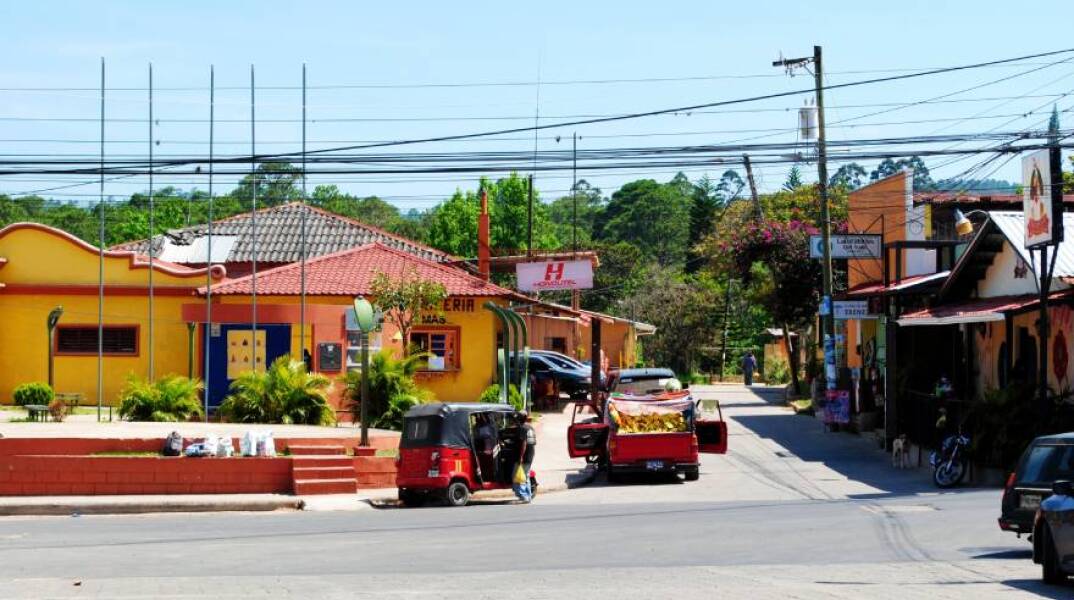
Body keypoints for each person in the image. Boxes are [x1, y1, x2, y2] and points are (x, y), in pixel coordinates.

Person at [512, 412, 537, 503]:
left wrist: (521, 456)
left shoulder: (522, 428)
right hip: (531, 454)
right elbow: (533, 442)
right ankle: (528, 496)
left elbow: (524, 444)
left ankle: (524, 496)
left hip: (525, 455)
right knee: (526, 476)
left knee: (520, 476)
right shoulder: (530, 428)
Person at [474, 414, 498, 481]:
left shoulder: (487, 427)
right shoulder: (484, 427)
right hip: (486, 449)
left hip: (488, 448)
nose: (477, 419)